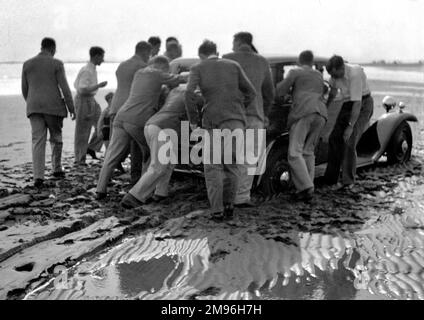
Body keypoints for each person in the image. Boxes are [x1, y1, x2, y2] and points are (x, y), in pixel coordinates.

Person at [96, 56, 187, 200]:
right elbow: (178, 79)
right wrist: (197, 74)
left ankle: (100, 190)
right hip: (138, 119)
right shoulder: (156, 73)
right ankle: (142, 191)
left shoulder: (139, 73)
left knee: (112, 155)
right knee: (151, 154)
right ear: (162, 66)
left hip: (122, 116)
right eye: (166, 69)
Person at [185, 40, 256, 220]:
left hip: (213, 120)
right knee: (232, 165)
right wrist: (239, 107)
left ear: (201, 54)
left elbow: (189, 93)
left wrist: (194, 121)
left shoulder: (198, 67)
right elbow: (251, 92)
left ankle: (217, 211)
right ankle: (230, 206)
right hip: (236, 121)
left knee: (213, 167)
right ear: (217, 51)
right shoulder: (233, 65)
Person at [120, 82, 197, 208]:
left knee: (169, 162)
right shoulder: (194, 94)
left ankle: (161, 192)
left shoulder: (176, 90)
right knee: (158, 166)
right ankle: (133, 196)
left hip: (153, 125)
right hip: (165, 129)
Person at [223, 31, 275, 207]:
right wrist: (265, 112)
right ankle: (242, 197)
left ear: (238, 42)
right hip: (254, 116)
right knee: (249, 158)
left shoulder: (226, 58)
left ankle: (225, 195)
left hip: (230, 115)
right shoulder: (262, 61)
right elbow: (269, 92)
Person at [21, 37, 75, 188]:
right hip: (53, 107)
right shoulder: (56, 63)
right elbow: (64, 87)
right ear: (52, 48)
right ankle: (56, 168)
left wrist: (32, 103)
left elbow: (25, 89)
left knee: (38, 140)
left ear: (41, 47)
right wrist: (72, 108)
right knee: (56, 137)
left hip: (34, 106)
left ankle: (38, 177)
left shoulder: (27, 64)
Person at [276, 50, 328, 201]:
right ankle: (308, 186)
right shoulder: (318, 75)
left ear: (299, 61)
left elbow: (280, 91)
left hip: (304, 112)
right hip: (321, 113)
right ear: (312, 62)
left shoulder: (295, 72)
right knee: (308, 151)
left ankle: (305, 187)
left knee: (294, 152)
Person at [324, 55, 374, 189]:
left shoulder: (355, 74)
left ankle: (348, 181)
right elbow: (333, 93)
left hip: (363, 104)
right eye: (331, 76)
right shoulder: (334, 75)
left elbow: (357, 104)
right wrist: (325, 107)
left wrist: (350, 127)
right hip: (347, 104)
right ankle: (330, 179)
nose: (334, 78)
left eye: (335, 75)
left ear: (341, 68)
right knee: (334, 138)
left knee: (349, 140)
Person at [108, 41, 152, 183]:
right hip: (131, 108)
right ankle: (136, 177)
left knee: (114, 148)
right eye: (149, 54)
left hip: (115, 106)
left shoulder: (122, 65)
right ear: (145, 52)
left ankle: (104, 181)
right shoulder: (142, 67)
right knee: (138, 146)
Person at [73, 46, 107, 165]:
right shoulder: (87, 70)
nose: (103, 60)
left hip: (90, 99)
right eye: (102, 57)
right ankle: (79, 158)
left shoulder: (91, 69)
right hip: (84, 99)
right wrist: (98, 86)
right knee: (82, 130)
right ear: (96, 56)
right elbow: (82, 89)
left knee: (102, 124)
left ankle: (91, 148)